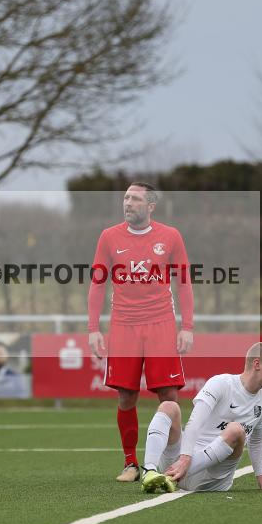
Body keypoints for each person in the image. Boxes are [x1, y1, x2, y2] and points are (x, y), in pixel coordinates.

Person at [88, 182, 194, 482]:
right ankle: (131, 463)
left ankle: (174, 462)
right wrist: (93, 329)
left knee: (169, 395)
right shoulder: (109, 237)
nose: (128, 203)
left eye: (135, 199)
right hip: (123, 325)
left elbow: (184, 282)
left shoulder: (170, 236)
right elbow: (97, 283)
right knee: (126, 395)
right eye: (126, 197)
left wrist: (187, 327)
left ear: (150, 206)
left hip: (161, 323)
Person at [139, 342, 262, 494]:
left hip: (212, 480)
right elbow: (195, 422)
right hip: (179, 462)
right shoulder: (221, 383)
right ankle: (150, 471)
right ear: (257, 364)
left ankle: (169, 478)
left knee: (236, 430)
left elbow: (257, 440)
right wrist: (184, 459)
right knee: (169, 406)